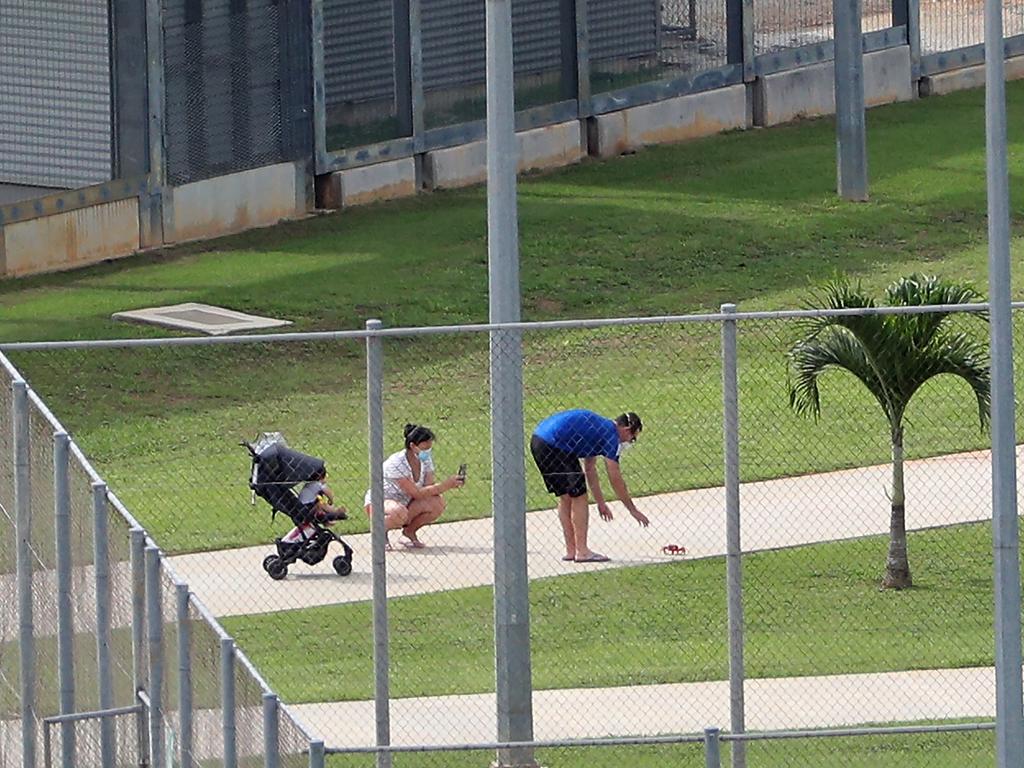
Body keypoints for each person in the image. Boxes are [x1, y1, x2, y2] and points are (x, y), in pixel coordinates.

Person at [530, 409, 649, 563]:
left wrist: (601, 503)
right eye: (632, 439)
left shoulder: (598, 430)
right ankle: (583, 551)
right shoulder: (611, 435)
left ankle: (572, 550)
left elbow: (590, 470)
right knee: (579, 497)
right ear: (626, 430)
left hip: (539, 441)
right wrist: (633, 510)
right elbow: (615, 478)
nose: (629, 443)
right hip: (555, 444)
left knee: (566, 497)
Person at [364, 423, 464, 549]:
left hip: (406, 502)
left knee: (437, 502)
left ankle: (409, 531)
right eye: (424, 447)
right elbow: (416, 493)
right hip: (381, 501)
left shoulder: (425, 459)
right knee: (398, 512)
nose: (427, 451)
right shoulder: (397, 463)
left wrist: (450, 484)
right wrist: (446, 485)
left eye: (429, 447)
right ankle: (380, 533)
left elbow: (428, 487)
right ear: (413, 446)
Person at [281, 466, 348, 545]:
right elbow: (327, 492)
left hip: (303, 507)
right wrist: (331, 500)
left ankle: (326, 521)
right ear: (320, 477)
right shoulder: (316, 484)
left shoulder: (309, 484)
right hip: (306, 508)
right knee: (319, 504)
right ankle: (335, 511)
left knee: (319, 502)